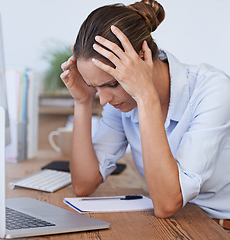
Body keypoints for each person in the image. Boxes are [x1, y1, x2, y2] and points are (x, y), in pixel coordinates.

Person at [60, 0, 230, 220]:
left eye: (111, 84)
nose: (103, 100)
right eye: (96, 87)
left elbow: (167, 204)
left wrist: (145, 95)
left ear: (141, 56)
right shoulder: (122, 101)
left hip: (219, 226)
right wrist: (83, 101)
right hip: (180, 224)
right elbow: (83, 184)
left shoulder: (213, 90)